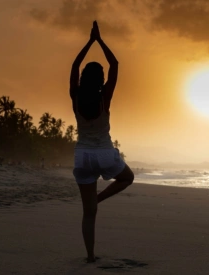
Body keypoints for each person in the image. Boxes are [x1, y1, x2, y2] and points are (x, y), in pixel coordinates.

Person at [70, 21, 134, 263]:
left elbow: (75, 65)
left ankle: (90, 256)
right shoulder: (104, 97)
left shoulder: (75, 96)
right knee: (127, 178)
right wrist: (99, 40)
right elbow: (115, 64)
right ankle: (99, 197)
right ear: (101, 80)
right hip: (105, 153)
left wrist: (89, 42)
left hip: (83, 156)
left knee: (89, 214)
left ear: (84, 77)